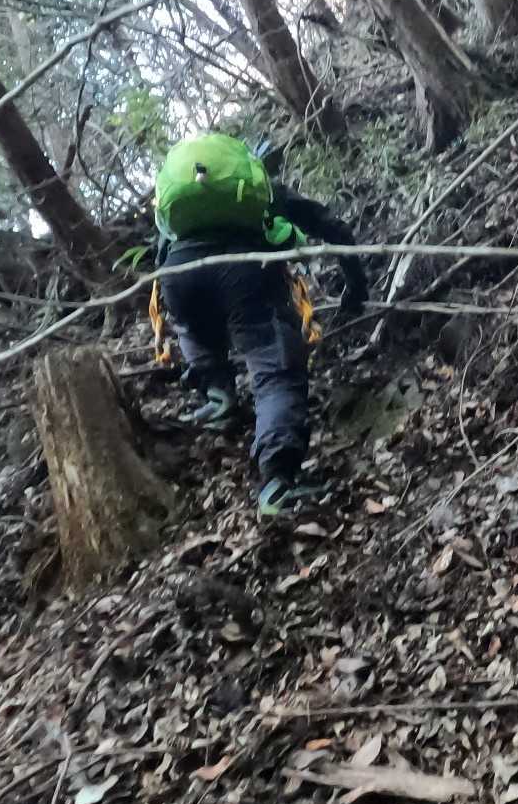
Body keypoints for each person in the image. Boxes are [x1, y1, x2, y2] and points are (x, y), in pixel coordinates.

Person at [152, 133, 368, 516]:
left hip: (179, 273)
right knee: (274, 369)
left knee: (197, 329)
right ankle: (278, 481)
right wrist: (356, 287)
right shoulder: (263, 193)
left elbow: (162, 251)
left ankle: (218, 395)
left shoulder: (183, 206)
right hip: (244, 271)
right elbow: (332, 229)